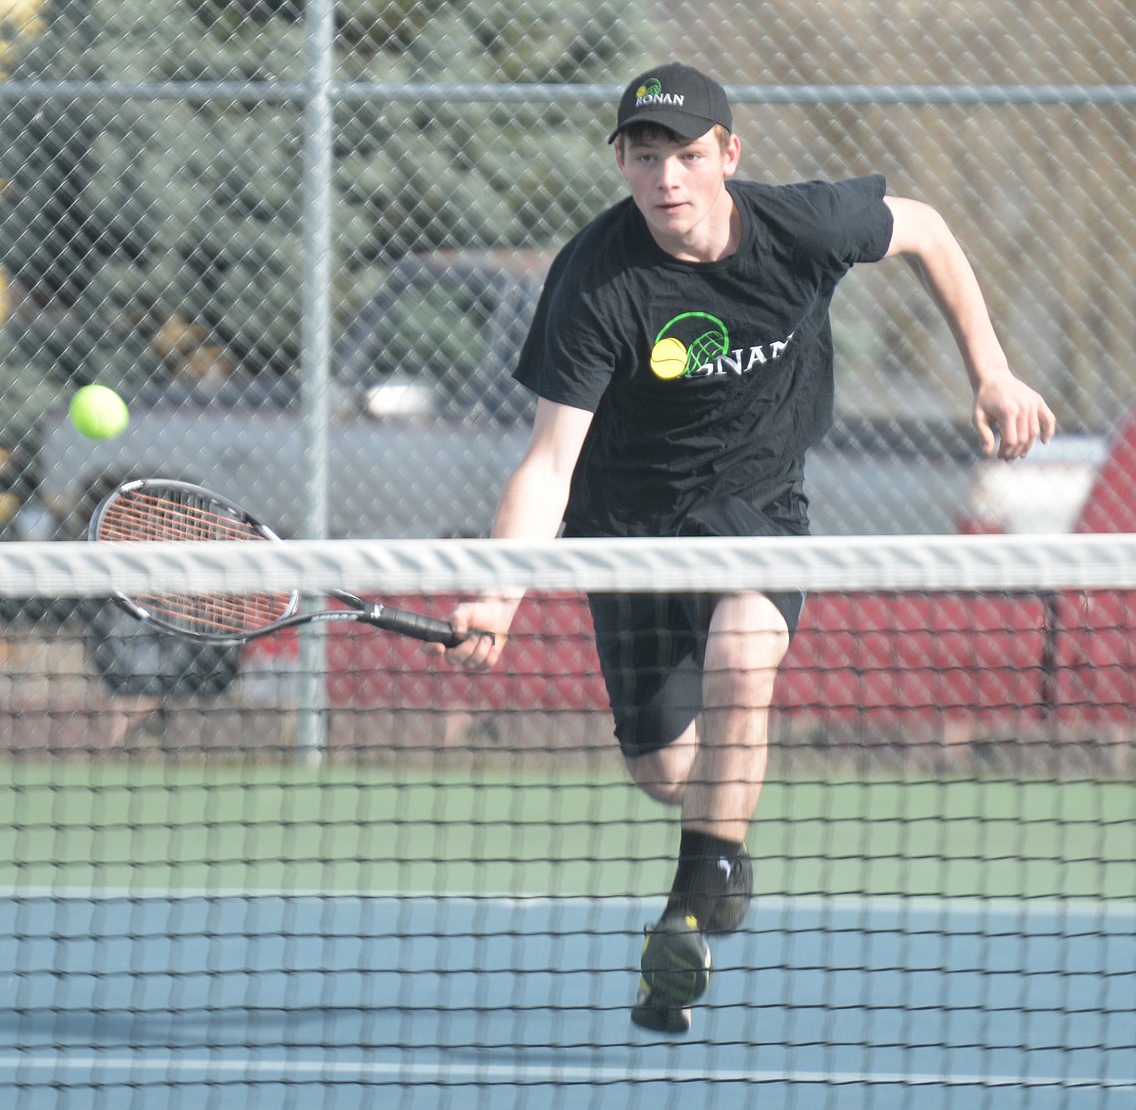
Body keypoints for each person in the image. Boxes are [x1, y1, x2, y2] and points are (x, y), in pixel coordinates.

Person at [426, 61, 1057, 1035]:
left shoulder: (798, 230)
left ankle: (695, 897)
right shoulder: (596, 281)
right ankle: (721, 845)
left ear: (728, 155)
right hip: (626, 533)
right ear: (625, 165)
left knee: (742, 656)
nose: (667, 177)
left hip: (758, 503)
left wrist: (993, 372)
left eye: (686, 154)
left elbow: (924, 226)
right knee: (666, 770)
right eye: (645, 157)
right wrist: (497, 594)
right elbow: (549, 463)